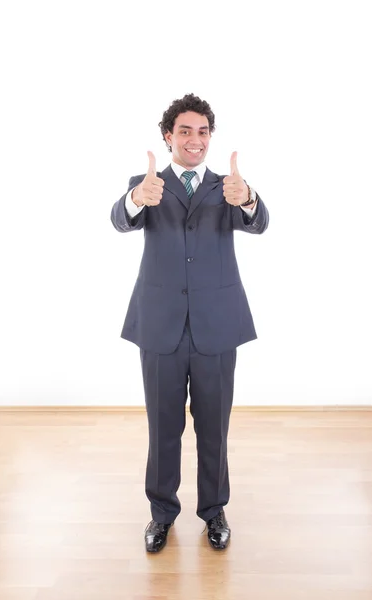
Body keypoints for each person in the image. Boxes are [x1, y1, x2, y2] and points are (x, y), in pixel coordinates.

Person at [110, 93, 269, 553]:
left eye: (202, 131)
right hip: (160, 324)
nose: (195, 139)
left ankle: (214, 510)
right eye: (185, 130)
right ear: (167, 136)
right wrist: (138, 197)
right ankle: (162, 514)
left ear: (209, 137)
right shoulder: (148, 183)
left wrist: (251, 199)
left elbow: (260, 223)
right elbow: (120, 219)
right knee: (162, 426)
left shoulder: (229, 186)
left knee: (213, 426)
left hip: (216, 325)